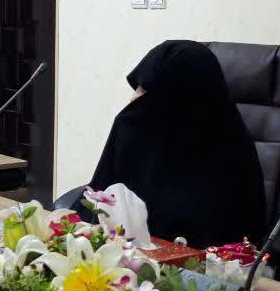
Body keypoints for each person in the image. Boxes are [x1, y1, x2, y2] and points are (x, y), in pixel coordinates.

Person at [90, 40, 266, 252]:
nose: (134, 98)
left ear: (179, 96)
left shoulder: (230, 152)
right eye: (137, 87)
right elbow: (99, 201)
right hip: (120, 257)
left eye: (146, 89)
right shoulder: (133, 129)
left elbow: (222, 241)